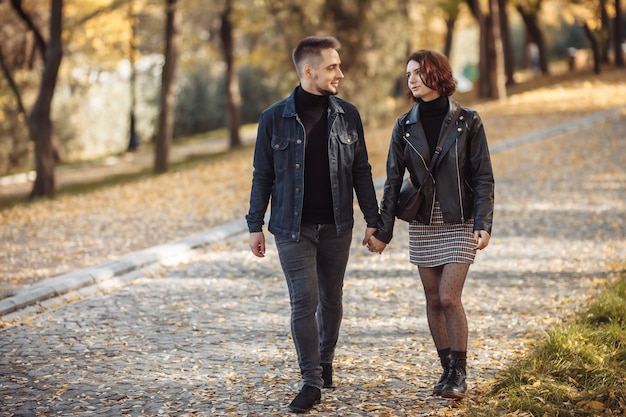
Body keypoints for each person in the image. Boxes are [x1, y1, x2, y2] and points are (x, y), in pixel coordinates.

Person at [246, 36, 380, 413]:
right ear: (309, 71)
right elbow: (263, 175)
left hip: (338, 224)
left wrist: (375, 220)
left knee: (331, 299)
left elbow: (361, 170)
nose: (340, 73)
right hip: (292, 228)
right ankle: (311, 381)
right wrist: (255, 224)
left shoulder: (347, 114)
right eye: (332, 67)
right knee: (304, 301)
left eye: (338, 65)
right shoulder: (273, 118)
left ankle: (324, 359)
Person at [367, 50, 495, 400]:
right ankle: (446, 368)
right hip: (423, 223)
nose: (412, 79)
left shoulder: (468, 120)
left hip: (459, 220)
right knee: (432, 299)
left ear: (437, 74)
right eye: (408, 73)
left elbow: (483, 176)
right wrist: (383, 231)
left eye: (419, 72)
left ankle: (459, 370)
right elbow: (392, 183)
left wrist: (483, 222)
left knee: (448, 297)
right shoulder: (403, 126)